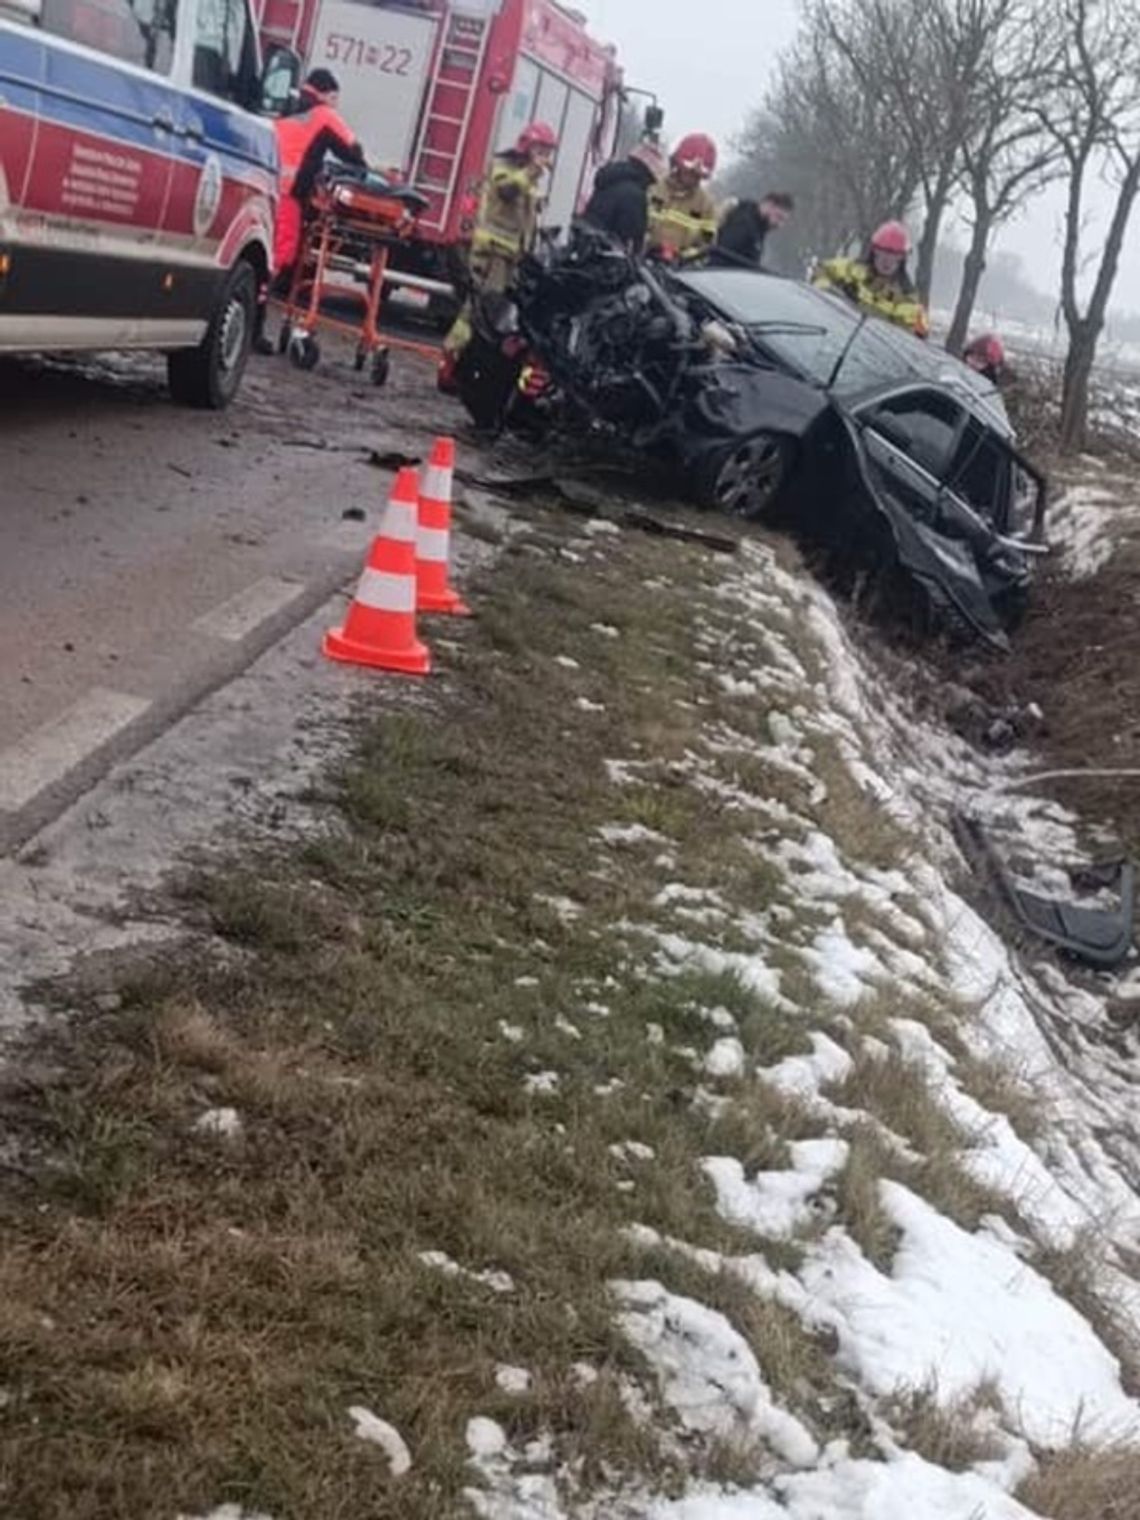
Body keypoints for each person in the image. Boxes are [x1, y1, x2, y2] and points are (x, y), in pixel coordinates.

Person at [438, 121, 558, 392]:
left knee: (492, 316)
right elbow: (506, 190)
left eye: (548, 152)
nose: (545, 158)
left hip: (509, 258)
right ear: (528, 145)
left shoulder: (527, 176)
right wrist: (532, 171)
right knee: (477, 312)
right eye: (541, 150)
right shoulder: (506, 166)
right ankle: (450, 362)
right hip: (491, 254)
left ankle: (465, 366)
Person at [256, 69, 365, 352]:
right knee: (278, 259)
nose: (335, 104)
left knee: (255, 254)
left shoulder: (284, 104)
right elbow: (352, 151)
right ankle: (253, 328)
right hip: (288, 195)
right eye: (334, 98)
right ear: (327, 94)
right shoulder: (323, 115)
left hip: (260, 186)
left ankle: (248, 320)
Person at [812, 221, 930, 338]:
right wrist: (827, 293)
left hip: (869, 354)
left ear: (902, 259)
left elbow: (911, 338)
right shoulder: (850, 270)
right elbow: (821, 270)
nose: (887, 260)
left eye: (895, 255)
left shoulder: (907, 300)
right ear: (874, 252)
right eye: (882, 252)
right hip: (835, 336)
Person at [581, 141, 668, 253]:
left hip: (588, 249)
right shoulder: (635, 195)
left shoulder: (611, 179)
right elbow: (630, 239)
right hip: (609, 260)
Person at [646, 133, 719, 261]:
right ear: (677, 165)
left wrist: (682, 258)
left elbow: (706, 245)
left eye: (698, 175)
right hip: (641, 264)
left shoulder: (706, 205)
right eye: (689, 172)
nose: (693, 178)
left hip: (679, 271)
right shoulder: (654, 189)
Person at [713, 191, 795, 269]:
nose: (779, 225)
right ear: (769, 205)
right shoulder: (744, 223)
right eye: (778, 217)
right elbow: (722, 254)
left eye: (783, 221)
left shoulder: (758, 227)